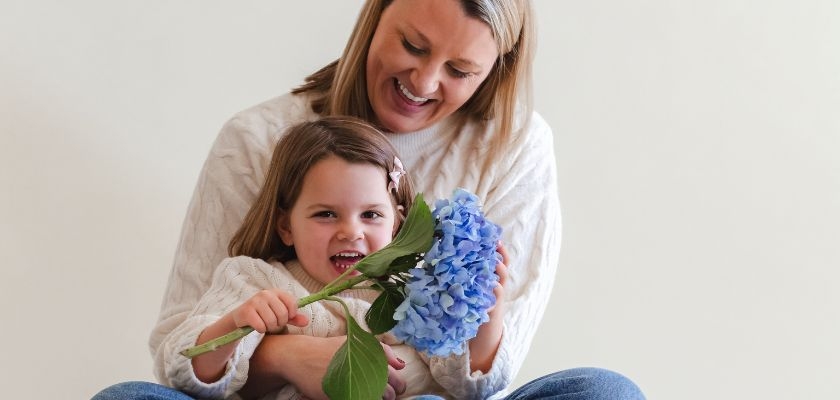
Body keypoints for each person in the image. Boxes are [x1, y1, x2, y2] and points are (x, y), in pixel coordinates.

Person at [94, 0, 645, 399]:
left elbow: (476, 381)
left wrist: (484, 312)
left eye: (459, 71)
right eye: (412, 44)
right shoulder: (256, 274)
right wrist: (284, 354)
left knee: (604, 392)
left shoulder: (415, 291)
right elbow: (178, 356)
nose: (424, 81)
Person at [161, 117, 479, 399]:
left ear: (396, 223)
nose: (351, 231)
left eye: (370, 214)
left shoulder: (414, 294)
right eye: (326, 214)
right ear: (286, 226)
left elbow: (465, 381)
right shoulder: (254, 281)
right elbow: (186, 372)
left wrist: (486, 298)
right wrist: (234, 323)